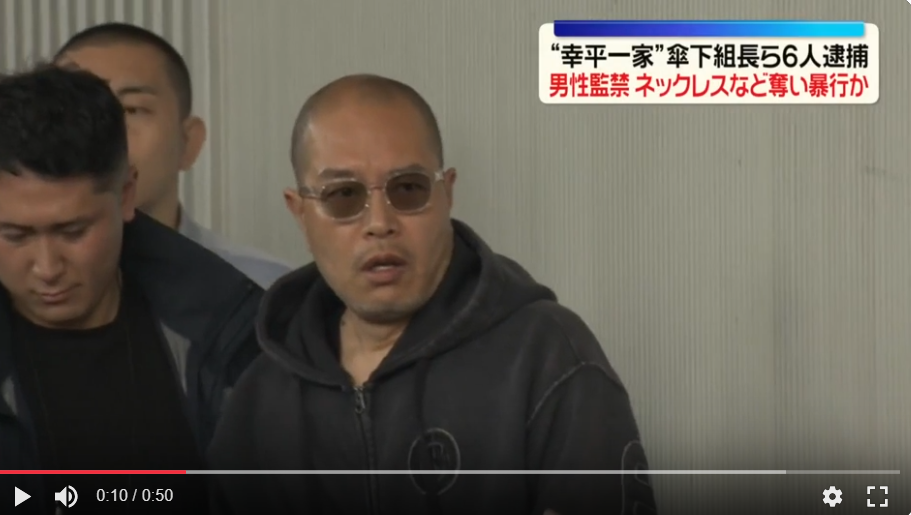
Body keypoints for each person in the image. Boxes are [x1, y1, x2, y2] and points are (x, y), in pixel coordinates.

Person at [208, 74, 659, 515]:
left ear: (446, 194)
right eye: (343, 195)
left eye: (408, 189)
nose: (379, 222)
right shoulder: (259, 400)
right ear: (300, 213)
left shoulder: (546, 356)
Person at [0, 65, 262, 513]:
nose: (47, 268)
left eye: (73, 232)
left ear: (125, 195)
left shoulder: (230, 332)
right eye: (15, 235)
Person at [54, 22, 291, 288]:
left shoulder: (263, 290)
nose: (102, 133)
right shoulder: (21, 287)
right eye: (77, 110)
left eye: (131, 110)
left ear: (188, 142)